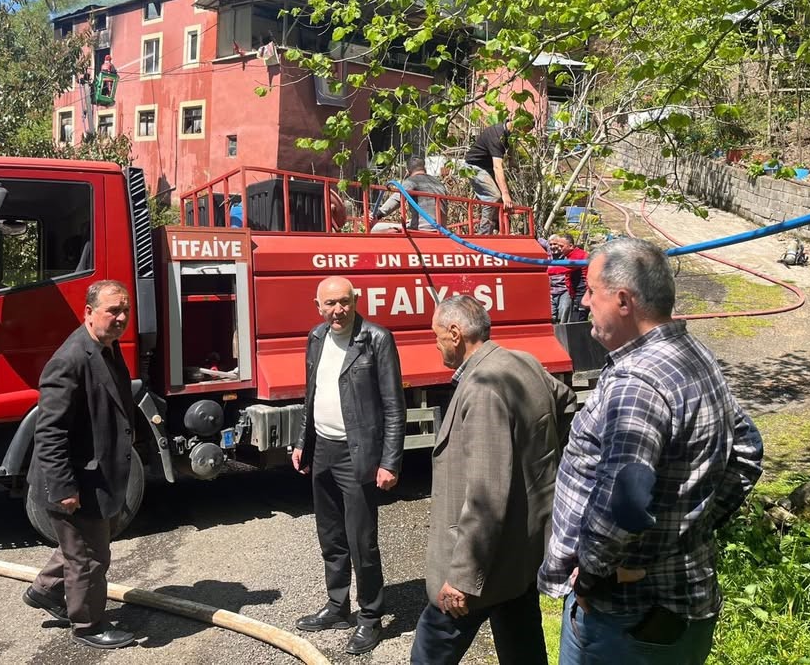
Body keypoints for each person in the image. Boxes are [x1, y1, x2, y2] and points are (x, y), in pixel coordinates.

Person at [539, 238, 764, 665]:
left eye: (590, 291)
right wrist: (689, 530)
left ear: (623, 300)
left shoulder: (638, 384)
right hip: (676, 609)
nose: (583, 303)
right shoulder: (693, 353)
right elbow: (749, 451)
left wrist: (592, 577)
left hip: (623, 617)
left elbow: (623, 503)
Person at [411, 295, 575, 665]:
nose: (434, 343)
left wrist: (463, 578)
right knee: (524, 649)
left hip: (482, 568)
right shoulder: (524, 362)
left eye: (436, 335)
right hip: (520, 555)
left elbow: (487, 495)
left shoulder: (483, 387)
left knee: (429, 655)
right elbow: (565, 404)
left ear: (455, 333)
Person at [291, 276, 406, 655]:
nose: (337, 310)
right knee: (331, 536)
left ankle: (370, 617)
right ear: (317, 306)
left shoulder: (375, 339)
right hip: (322, 448)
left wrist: (389, 461)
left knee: (361, 541)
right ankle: (337, 607)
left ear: (355, 301)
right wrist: (303, 443)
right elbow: (312, 394)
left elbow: (394, 405)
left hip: (358, 454)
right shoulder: (316, 338)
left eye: (344, 302)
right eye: (330, 304)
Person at [24, 280, 137, 650]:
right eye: (112, 311)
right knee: (90, 556)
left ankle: (45, 592)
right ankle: (88, 626)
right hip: (75, 479)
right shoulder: (69, 360)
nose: (121, 318)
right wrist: (64, 488)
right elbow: (50, 432)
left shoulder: (105, 347)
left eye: (125, 310)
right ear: (88, 312)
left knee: (80, 545)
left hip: (95, 474)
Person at [370, 156, 448, 232]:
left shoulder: (411, 181)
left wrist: (378, 214)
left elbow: (397, 199)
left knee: (376, 228)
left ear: (407, 171)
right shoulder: (439, 183)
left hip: (422, 229)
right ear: (424, 168)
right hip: (442, 229)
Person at [463, 121, 513, 234]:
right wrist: (505, 194)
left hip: (486, 167)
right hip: (474, 166)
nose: (525, 134)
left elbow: (510, 146)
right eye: (526, 130)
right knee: (493, 196)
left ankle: (498, 229)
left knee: (505, 200)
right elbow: (497, 167)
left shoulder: (510, 134)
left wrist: (512, 160)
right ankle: (484, 234)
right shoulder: (496, 136)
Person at [547, 233, 589, 323]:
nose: (559, 248)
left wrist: (541, 271)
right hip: (576, 294)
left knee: (577, 322)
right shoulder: (569, 256)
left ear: (570, 246)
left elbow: (563, 268)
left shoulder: (578, 255)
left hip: (582, 294)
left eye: (562, 246)